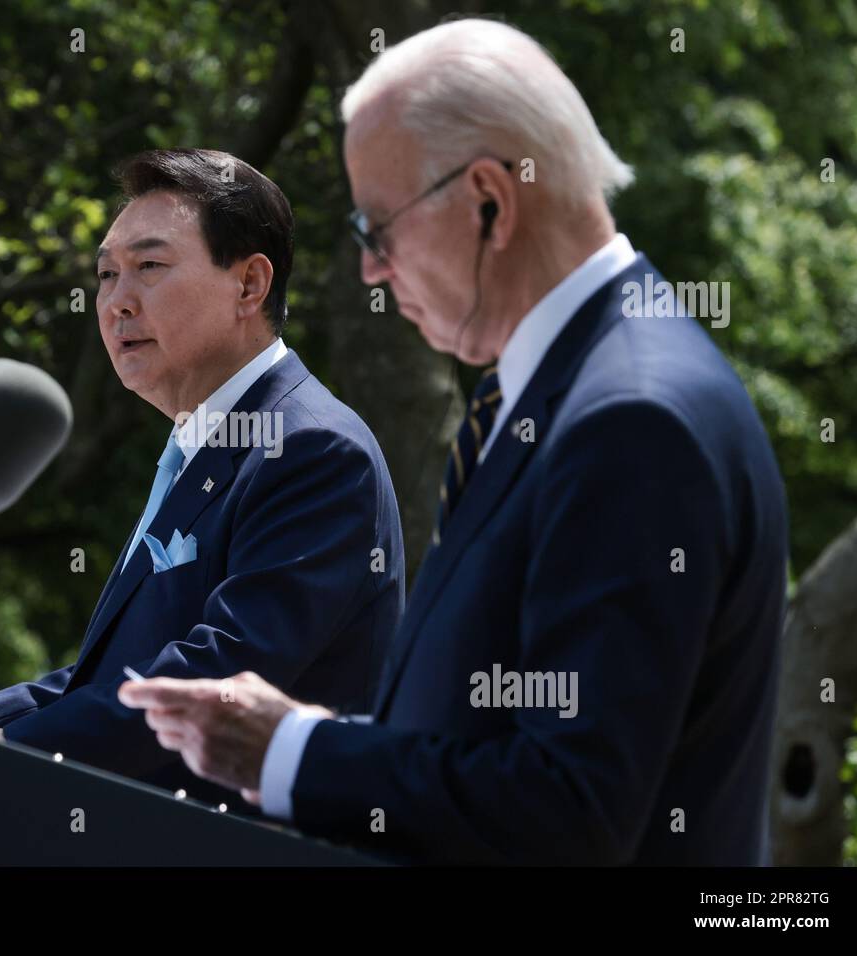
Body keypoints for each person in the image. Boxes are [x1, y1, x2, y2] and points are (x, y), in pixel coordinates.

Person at [119, 21, 789, 863]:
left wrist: (292, 751)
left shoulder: (629, 416)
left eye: (375, 230)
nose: (370, 270)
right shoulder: (569, 387)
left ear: (488, 201)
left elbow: (571, 807)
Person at [0, 149, 404, 812]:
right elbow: (103, 682)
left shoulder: (311, 450)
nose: (115, 303)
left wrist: (1, 747)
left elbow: (207, 685)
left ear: (249, 286)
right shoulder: (201, 447)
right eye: (106, 274)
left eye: (149, 267)